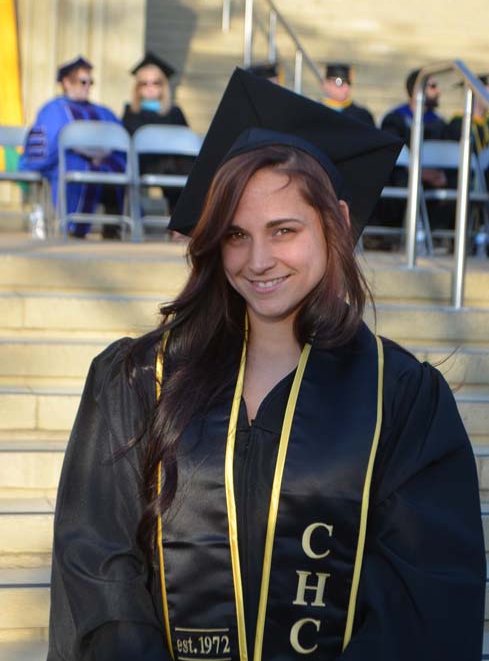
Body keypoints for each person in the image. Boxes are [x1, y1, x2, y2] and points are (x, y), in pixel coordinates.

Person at [47, 68, 485, 661]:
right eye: (235, 234)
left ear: (336, 224)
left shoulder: (400, 399)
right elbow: (98, 564)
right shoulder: (137, 380)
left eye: (284, 230)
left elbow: (423, 602)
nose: (259, 260)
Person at [19, 55, 125, 238]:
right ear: (66, 83)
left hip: (103, 161)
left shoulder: (101, 111)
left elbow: (120, 140)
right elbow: (46, 147)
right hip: (69, 162)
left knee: (119, 167)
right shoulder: (53, 109)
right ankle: (71, 229)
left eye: (90, 82)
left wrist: (103, 154)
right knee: (72, 165)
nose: (88, 86)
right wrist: (78, 151)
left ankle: (114, 229)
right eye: (83, 81)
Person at [372, 69, 451, 244]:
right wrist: (420, 172)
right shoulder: (395, 119)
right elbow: (392, 154)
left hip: (432, 180)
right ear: (417, 91)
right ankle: (387, 235)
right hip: (403, 176)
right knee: (395, 179)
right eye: (433, 86)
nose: (438, 91)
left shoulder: (439, 123)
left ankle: (442, 237)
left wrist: (437, 174)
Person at [122, 51, 190, 214]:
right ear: (137, 88)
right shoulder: (131, 112)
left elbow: (187, 143)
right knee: (171, 167)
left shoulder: (175, 112)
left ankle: (181, 223)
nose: (150, 88)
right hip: (145, 163)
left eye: (156, 83)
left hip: (174, 164)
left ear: (163, 85)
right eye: (144, 83)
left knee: (190, 168)